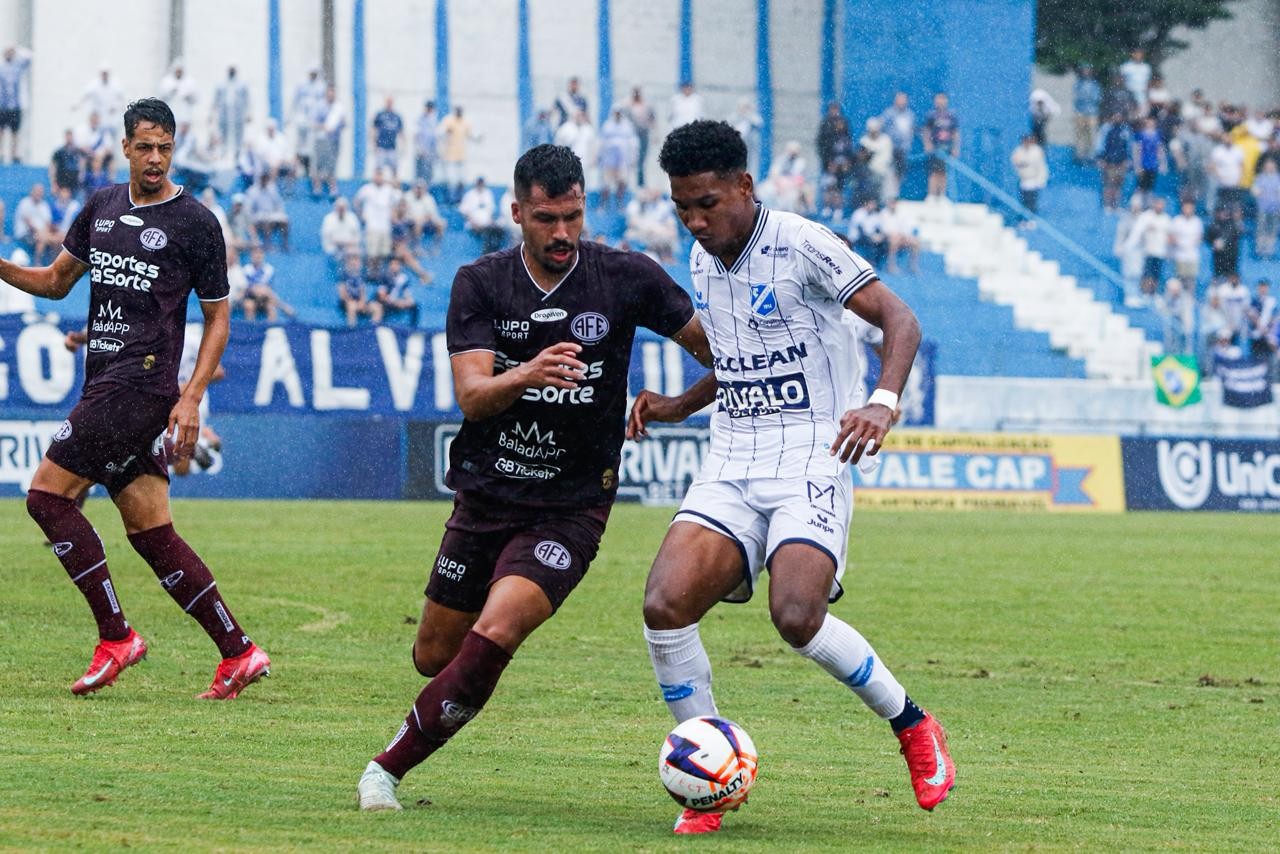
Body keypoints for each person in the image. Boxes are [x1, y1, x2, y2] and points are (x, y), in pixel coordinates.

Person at [355, 143, 711, 812]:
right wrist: (527, 373)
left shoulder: (628, 277)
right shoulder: (481, 282)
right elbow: (471, 395)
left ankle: (385, 769)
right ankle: (460, 687)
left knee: (498, 631)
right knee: (435, 655)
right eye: (547, 219)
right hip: (486, 497)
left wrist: (678, 405)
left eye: (574, 217)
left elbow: (720, 351)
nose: (563, 234)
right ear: (517, 212)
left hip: (570, 508)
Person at [625, 119, 953, 835]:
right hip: (733, 455)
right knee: (664, 604)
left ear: (745, 185)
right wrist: (680, 403)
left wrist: (882, 402)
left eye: (707, 203)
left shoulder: (804, 245)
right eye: (683, 207)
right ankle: (709, 779)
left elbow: (901, 319)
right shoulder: (703, 258)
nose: (696, 220)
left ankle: (912, 725)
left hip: (813, 450)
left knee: (796, 616)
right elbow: (739, 359)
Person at [0, 98, 270, 699]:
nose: (155, 159)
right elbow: (54, 281)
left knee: (46, 497)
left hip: (142, 386)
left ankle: (116, 636)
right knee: (152, 533)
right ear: (124, 146)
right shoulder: (99, 207)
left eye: (165, 148)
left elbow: (218, 320)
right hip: (104, 378)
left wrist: (192, 397)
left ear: (174, 148)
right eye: (144, 147)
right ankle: (239, 652)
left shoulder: (196, 222)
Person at [922, 92, 960, 200]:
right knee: (933, 172)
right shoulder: (931, 115)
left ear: (946, 101)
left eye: (943, 99)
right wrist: (927, 144)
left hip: (946, 147)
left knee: (943, 172)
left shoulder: (951, 116)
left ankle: (942, 195)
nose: (940, 101)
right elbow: (926, 131)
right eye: (938, 99)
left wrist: (955, 148)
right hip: (935, 148)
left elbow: (955, 133)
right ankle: (931, 195)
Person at [0, 45, 31, 163]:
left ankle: (14, 155)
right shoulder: (1, 67)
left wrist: (17, 49)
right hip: (2, 105)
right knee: (1, 131)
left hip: (15, 105)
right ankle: (1, 154)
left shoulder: (17, 66)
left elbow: (29, 57)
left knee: (15, 132)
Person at [336, 250, 382, 327]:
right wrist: (351, 301)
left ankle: (373, 328)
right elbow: (342, 294)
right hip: (347, 302)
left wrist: (362, 302)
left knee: (377, 307)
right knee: (351, 306)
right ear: (348, 262)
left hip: (359, 302)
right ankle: (352, 329)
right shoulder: (343, 276)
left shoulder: (361, 276)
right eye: (352, 260)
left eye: (356, 260)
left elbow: (362, 291)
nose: (354, 263)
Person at [1010, 133, 1049, 226]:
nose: (1026, 142)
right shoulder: (1018, 151)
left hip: (1033, 180)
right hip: (1023, 180)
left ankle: (1031, 219)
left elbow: (1041, 166)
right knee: (1024, 200)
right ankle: (1023, 219)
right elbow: (1015, 162)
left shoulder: (1037, 151)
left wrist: (1041, 180)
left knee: (1032, 201)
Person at [1072, 65, 1101, 163]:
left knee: (1092, 133)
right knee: (1080, 133)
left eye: (1088, 70)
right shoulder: (1078, 84)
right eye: (1084, 70)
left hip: (1092, 112)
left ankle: (1091, 154)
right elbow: (1076, 97)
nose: (1086, 72)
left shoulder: (1095, 84)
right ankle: (1080, 153)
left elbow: (1097, 98)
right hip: (1080, 111)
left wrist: (1086, 98)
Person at [371, 95, 404, 178]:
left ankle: (394, 186)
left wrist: (403, 147)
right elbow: (374, 130)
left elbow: (401, 132)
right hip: (381, 146)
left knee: (394, 168)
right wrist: (374, 145)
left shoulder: (396, 117)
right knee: (379, 168)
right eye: (388, 101)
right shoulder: (380, 115)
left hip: (392, 147)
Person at [413, 100, 440, 185]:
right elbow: (416, 135)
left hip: (430, 152)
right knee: (420, 174)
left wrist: (436, 152)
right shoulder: (420, 119)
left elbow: (434, 137)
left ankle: (426, 189)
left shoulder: (434, 120)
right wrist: (419, 149)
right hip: (421, 152)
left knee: (429, 175)